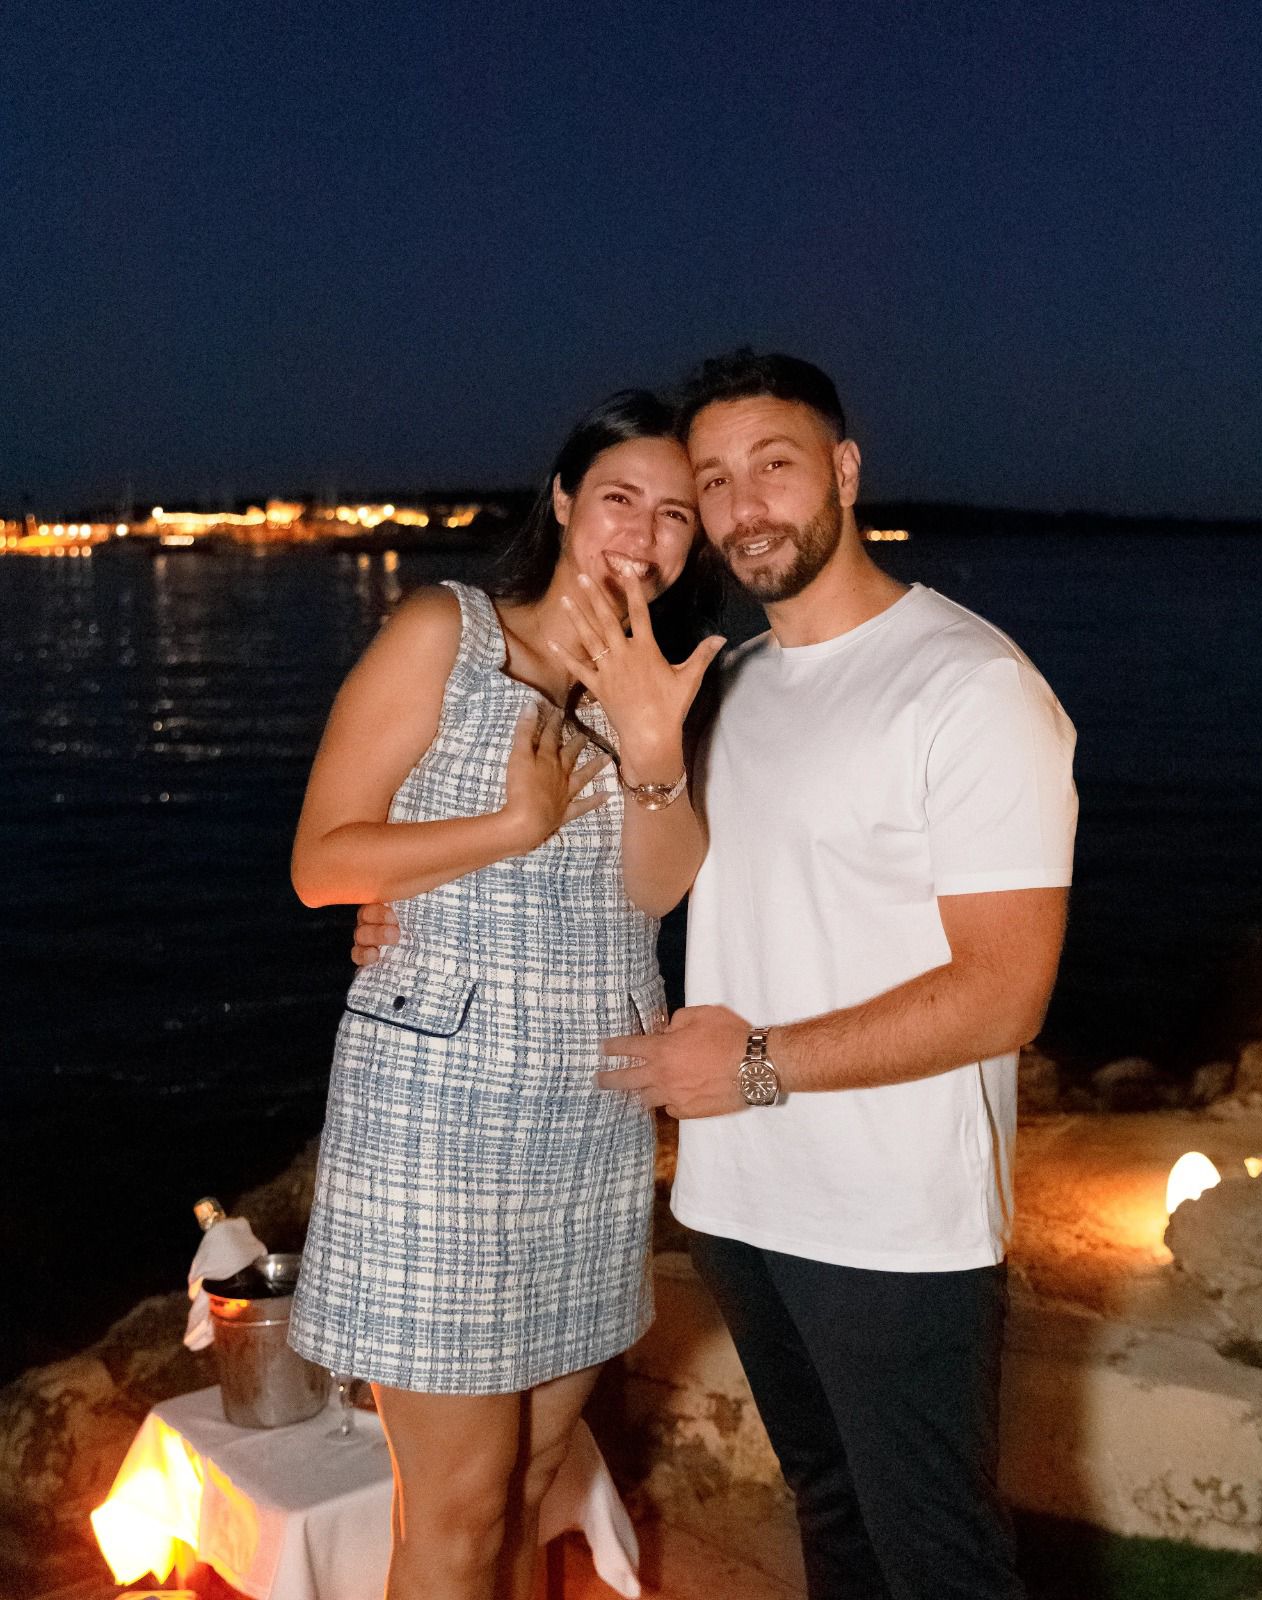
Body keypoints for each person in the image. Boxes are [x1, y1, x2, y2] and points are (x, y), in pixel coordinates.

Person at [355, 349, 1077, 1599]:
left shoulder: (968, 685)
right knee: (832, 1515)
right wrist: (398, 890)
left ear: (843, 471)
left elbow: (1004, 991)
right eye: (714, 481)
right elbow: (622, 869)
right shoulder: (724, 682)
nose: (744, 506)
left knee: (938, 1555)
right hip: (741, 1203)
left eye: (773, 466)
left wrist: (747, 1064)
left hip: (889, 1216)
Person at [288, 388, 725, 1600]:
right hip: (440, 1108)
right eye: (620, 498)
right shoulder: (447, 630)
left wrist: (651, 747)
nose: (644, 533)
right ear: (564, 500)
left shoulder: (666, 685)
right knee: (459, 1502)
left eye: (674, 514)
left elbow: (659, 888)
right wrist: (504, 827)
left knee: (533, 1481)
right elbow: (321, 862)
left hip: (590, 1112)